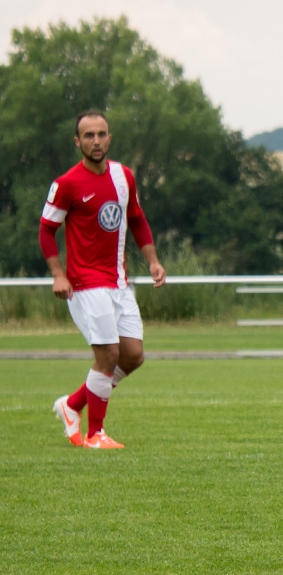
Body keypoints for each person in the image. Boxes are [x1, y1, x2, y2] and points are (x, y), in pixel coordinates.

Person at [41, 111, 166, 449]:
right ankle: (95, 434)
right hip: (84, 284)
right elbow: (46, 230)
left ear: (109, 138)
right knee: (108, 354)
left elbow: (137, 220)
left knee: (133, 356)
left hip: (118, 282)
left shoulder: (124, 176)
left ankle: (72, 405)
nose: (96, 141)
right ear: (77, 141)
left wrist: (153, 260)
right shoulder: (66, 184)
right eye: (88, 135)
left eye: (101, 134)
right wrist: (58, 274)